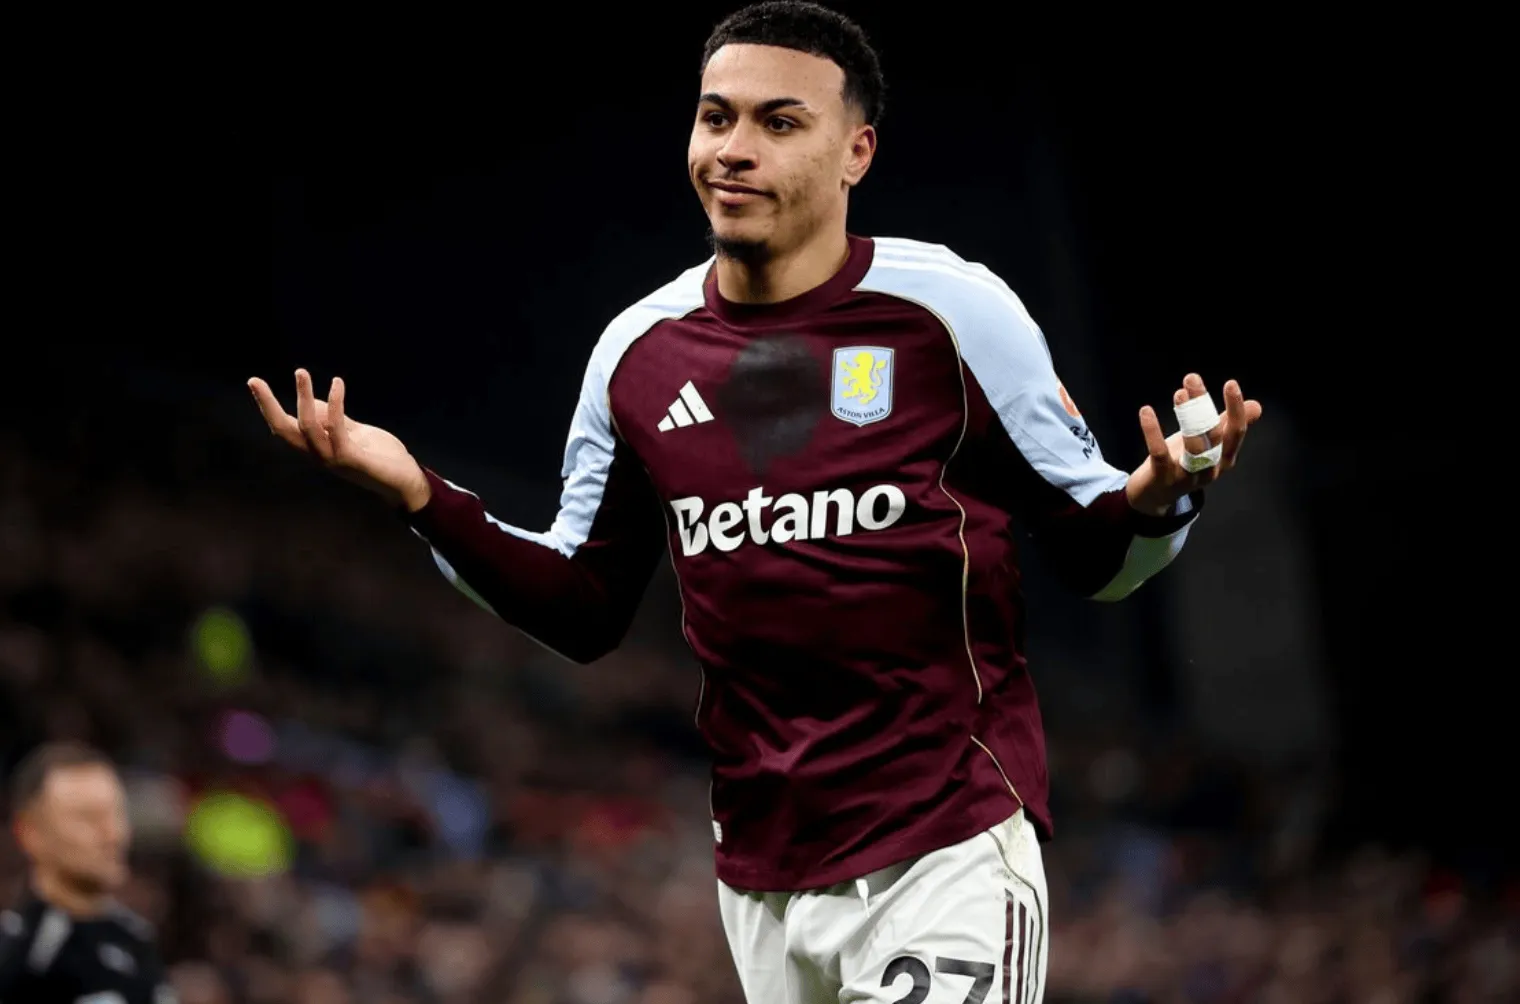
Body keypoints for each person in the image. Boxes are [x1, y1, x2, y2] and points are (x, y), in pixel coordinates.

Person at [249, 3, 1263, 1000]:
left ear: (856, 151)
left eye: (779, 122)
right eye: (715, 116)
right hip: (762, 878)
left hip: (945, 848)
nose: (732, 148)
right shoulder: (636, 354)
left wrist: (1159, 495)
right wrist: (418, 493)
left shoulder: (955, 313)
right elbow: (581, 604)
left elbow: (1095, 556)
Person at [1, 741, 176, 1003]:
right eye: (88, 818)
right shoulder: (22, 955)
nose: (113, 834)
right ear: (30, 833)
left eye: (117, 814)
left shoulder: (136, 936)